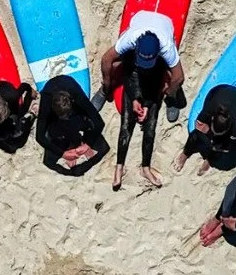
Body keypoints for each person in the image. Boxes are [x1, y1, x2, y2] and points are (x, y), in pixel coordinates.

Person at [97, 11, 186, 124]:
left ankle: (170, 99)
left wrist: (168, 91)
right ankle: (105, 91)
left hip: (164, 24)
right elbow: (106, 59)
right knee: (114, 64)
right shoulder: (130, 39)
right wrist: (107, 82)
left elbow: (179, 77)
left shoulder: (166, 47)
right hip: (140, 19)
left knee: (171, 76)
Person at [35, 73, 109, 175]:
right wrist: (63, 154)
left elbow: (99, 122)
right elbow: (39, 136)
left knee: (85, 116)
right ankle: (71, 144)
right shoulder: (46, 100)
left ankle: (103, 91)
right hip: (53, 105)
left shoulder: (76, 95)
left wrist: (88, 144)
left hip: (70, 92)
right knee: (55, 131)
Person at [175, 83, 236, 175]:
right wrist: (207, 132)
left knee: (226, 148)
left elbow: (229, 146)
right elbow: (199, 127)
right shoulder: (209, 111)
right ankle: (185, 154)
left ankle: (209, 160)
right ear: (212, 119)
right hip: (219, 91)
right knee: (196, 136)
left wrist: (217, 147)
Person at [113, 54, 166, 190]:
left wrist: (147, 106)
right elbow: (127, 79)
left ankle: (145, 168)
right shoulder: (130, 57)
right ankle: (119, 167)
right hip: (132, 92)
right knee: (125, 128)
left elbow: (157, 87)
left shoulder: (159, 62)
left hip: (151, 94)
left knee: (150, 130)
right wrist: (135, 99)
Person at [0, 79, 36, 154]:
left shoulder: (13, 96)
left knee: (17, 114)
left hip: (5, 89)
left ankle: (28, 114)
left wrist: (30, 90)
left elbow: (25, 86)